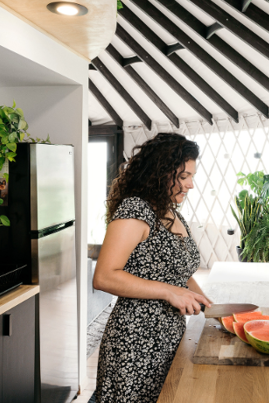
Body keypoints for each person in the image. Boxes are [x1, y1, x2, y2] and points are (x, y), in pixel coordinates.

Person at [93, 133, 212, 403]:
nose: (191, 185)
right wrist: (169, 292)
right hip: (134, 343)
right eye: (183, 176)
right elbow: (103, 277)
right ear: (160, 172)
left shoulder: (171, 212)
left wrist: (211, 307)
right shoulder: (135, 210)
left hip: (168, 339)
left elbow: (180, 275)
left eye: (192, 176)